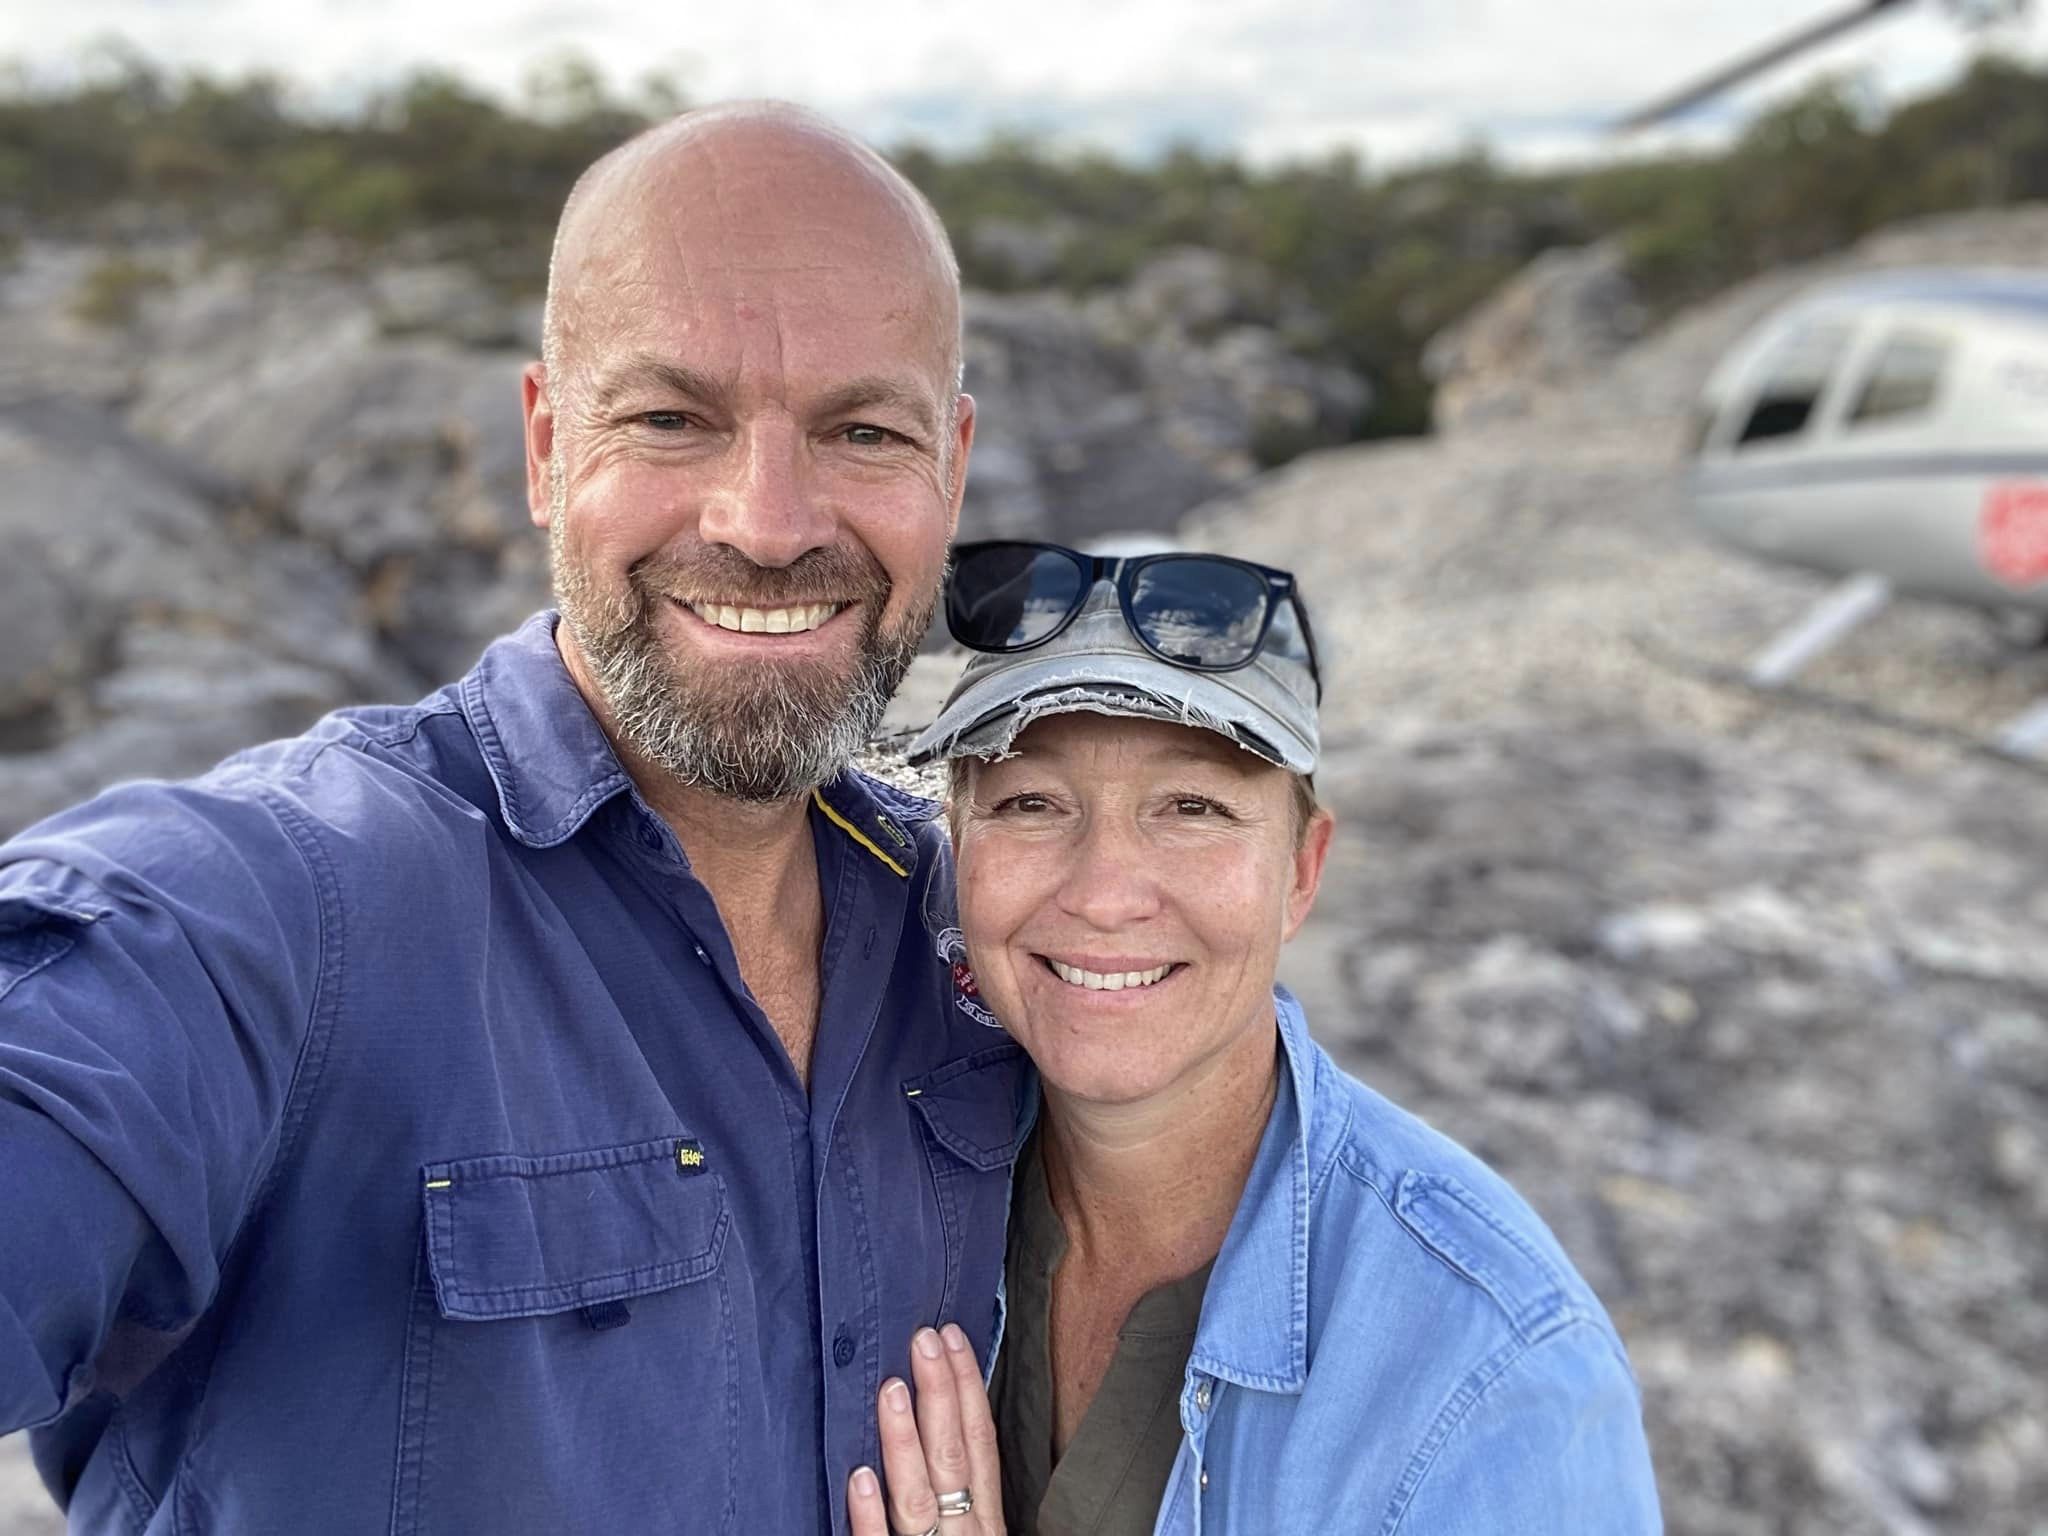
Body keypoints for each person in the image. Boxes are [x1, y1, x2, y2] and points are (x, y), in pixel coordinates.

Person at [0, 104, 1030, 1535]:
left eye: (864, 430)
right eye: (672, 418)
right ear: (547, 445)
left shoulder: (983, 943)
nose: (774, 521)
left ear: (951, 468)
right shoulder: (291, 904)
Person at [844, 540, 1663, 1535]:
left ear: (1300, 872)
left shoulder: (1492, 1369)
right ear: (957, 844)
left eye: (1192, 807)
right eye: (1030, 803)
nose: (1103, 895)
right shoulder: (886, 1183)